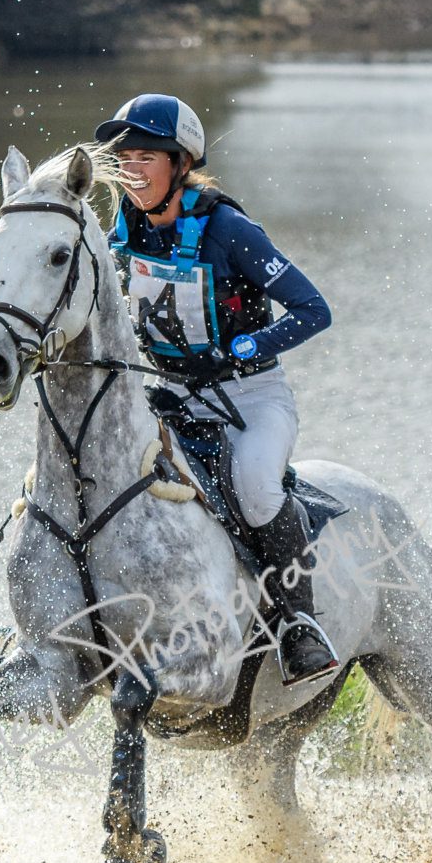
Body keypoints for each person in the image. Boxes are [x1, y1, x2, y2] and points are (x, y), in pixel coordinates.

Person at [94, 92, 339, 687]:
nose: (132, 167)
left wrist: (242, 350)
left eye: (147, 155)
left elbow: (314, 309)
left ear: (181, 162)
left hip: (252, 397)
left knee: (255, 488)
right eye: (124, 155)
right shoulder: (121, 231)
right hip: (174, 397)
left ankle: (299, 624)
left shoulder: (229, 229)